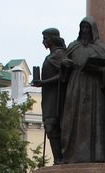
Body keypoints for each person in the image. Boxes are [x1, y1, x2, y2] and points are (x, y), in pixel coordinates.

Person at [61, 17, 105, 163]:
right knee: (73, 118)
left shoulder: (101, 48)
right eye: (83, 28)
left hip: (94, 87)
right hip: (75, 85)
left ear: (93, 30)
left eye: (88, 28)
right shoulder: (73, 46)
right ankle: (71, 154)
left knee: (94, 119)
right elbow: (64, 70)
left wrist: (99, 70)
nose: (85, 31)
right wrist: (65, 67)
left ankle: (97, 154)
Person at [34, 28, 66, 163]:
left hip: (57, 96)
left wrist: (44, 82)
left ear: (52, 39)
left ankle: (60, 159)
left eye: (45, 38)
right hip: (48, 96)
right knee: (50, 126)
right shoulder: (51, 56)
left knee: (53, 125)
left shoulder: (59, 54)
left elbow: (65, 74)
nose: (43, 42)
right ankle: (57, 159)